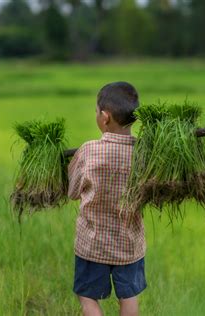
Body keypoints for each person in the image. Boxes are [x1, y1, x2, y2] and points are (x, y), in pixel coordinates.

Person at [68, 82, 146, 316]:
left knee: (88, 297)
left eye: (95, 111)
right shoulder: (144, 154)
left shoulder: (89, 151)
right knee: (129, 296)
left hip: (92, 244)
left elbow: (72, 192)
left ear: (104, 117)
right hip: (128, 244)